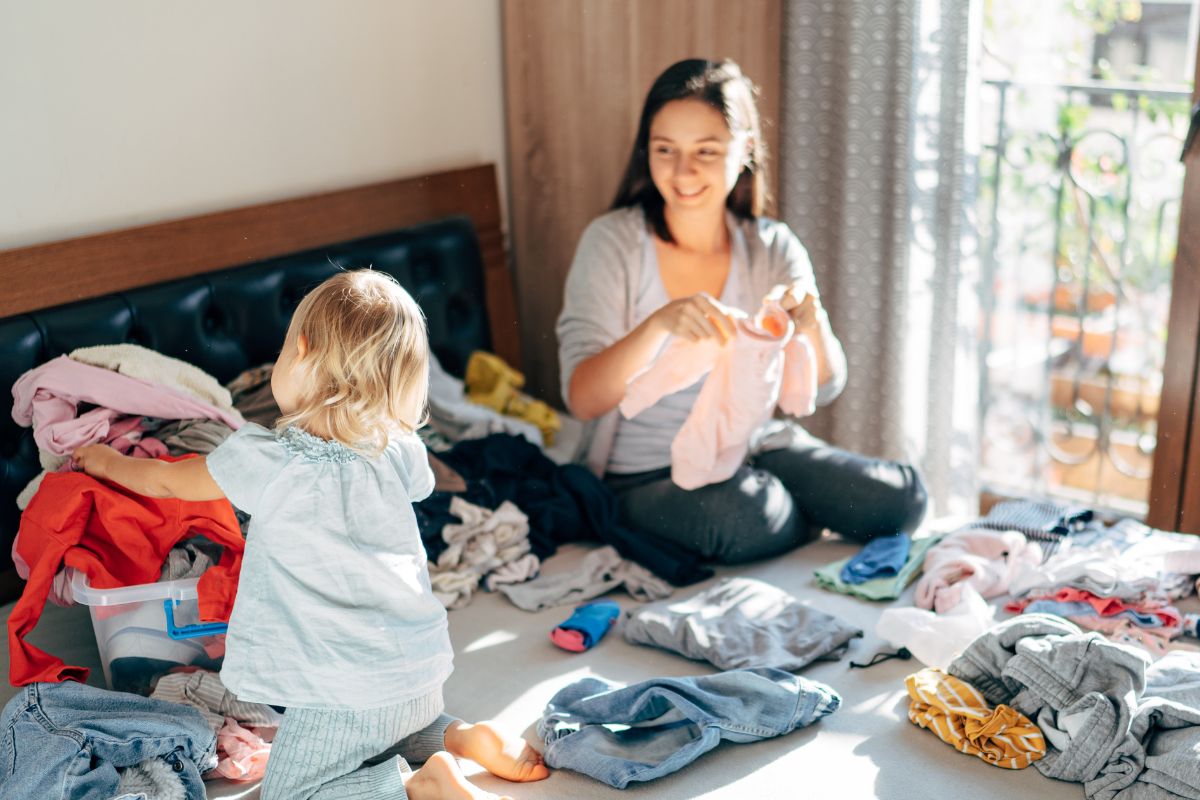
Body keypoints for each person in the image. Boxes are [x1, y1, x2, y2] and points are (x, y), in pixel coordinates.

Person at [74, 270, 548, 800]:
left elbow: (166, 480)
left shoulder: (266, 458)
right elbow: (422, 485)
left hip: (338, 691)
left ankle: (416, 787)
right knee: (392, 729)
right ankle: (462, 737)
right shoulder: (398, 448)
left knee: (292, 792)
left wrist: (108, 462)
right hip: (417, 675)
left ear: (300, 352)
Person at [557, 58, 928, 564]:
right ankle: (790, 507)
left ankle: (785, 503)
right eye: (665, 150)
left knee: (901, 500)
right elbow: (581, 398)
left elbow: (824, 385)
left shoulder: (772, 247)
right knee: (738, 521)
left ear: (745, 150)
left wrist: (811, 323)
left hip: (753, 449)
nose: (682, 172)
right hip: (642, 475)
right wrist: (658, 325)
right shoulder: (612, 244)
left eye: (706, 152)